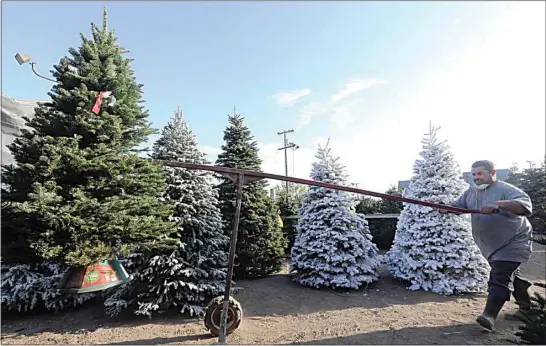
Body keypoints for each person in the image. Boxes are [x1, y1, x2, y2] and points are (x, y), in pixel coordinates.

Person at [441, 160, 534, 331]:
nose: (476, 178)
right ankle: (526, 310)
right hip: (492, 247)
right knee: (513, 277)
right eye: (474, 174)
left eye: (480, 173)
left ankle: (488, 316)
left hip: (514, 242)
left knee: (499, 277)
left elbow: (524, 206)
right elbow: (458, 207)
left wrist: (498, 204)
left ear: (492, 173)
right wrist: (446, 209)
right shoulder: (471, 193)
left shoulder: (506, 189)